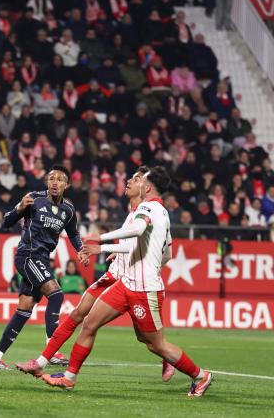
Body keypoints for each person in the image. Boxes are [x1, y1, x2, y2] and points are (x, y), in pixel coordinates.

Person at [34, 167, 213, 397]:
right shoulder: (163, 213)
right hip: (125, 284)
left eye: (140, 180)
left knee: (156, 345)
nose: (133, 181)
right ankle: (69, 378)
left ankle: (201, 376)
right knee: (89, 323)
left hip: (144, 290)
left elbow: (138, 230)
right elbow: (167, 253)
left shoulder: (148, 207)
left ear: (147, 188)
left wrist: (100, 240)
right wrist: (149, 262)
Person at [16, 167, 175, 381]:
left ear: (145, 188)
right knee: (79, 316)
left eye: (135, 179)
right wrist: (118, 253)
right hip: (115, 276)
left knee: (148, 340)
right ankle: (43, 363)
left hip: (132, 282)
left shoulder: (148, 212)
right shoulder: (133, 214)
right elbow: (139, 247)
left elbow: (162, 250)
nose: (128, 181)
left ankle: (171, 358)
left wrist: (106, 247)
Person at [0, 165, 86, 370]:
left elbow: (73, 234)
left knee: (24, 308)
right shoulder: (33, 198)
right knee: (56, 294)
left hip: (42, 258)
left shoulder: (68, 210)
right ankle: (53, 350)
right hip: (28, 255)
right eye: (51, 179)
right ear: (47, 182)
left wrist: (81, 250)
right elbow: (6, 222)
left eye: (59, 179)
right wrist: (20, 207)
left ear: (66, 185)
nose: (54, 182)